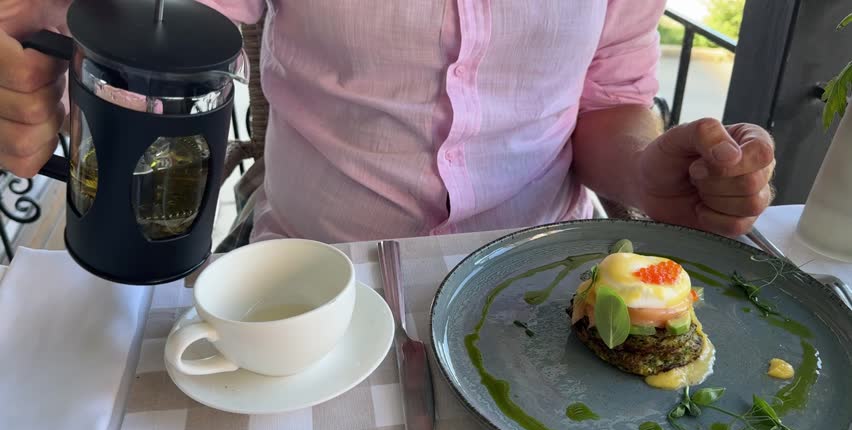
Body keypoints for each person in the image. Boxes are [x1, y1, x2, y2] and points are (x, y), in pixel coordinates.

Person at [0, 0, 775, 246]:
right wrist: (59, 81)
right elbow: (159, 32)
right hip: (314, 272)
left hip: (539, 277)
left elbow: (609, 101)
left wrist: (649, 174)